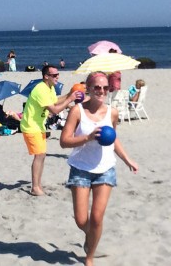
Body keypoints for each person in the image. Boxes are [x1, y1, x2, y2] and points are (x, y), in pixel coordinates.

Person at [60, 71, 138, 266]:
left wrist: (127, 159)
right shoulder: (77, 111)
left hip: (105, 168)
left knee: (96, 218)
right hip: (80, 168)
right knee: (81, 220)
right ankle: (92, 235)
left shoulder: (112, 112)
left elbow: (114, 139)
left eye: (105, 87)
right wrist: (87, 137)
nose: (101, 91)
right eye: (97, 87)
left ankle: (89, 257)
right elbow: (64, 141)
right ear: (88, 88)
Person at [20, 65, 82, 196]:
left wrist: (69, 95)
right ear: (46, 76)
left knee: (42, 156)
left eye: (58, 74)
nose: (57, 77)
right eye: (54, 75)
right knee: (40, 155)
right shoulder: (40, 89)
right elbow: (54, 110)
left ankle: (37, 184)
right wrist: (70, 99)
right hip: (31, 126)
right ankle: (35, 187)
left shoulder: (50, 88)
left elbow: (55, 101)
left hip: (39, 126)